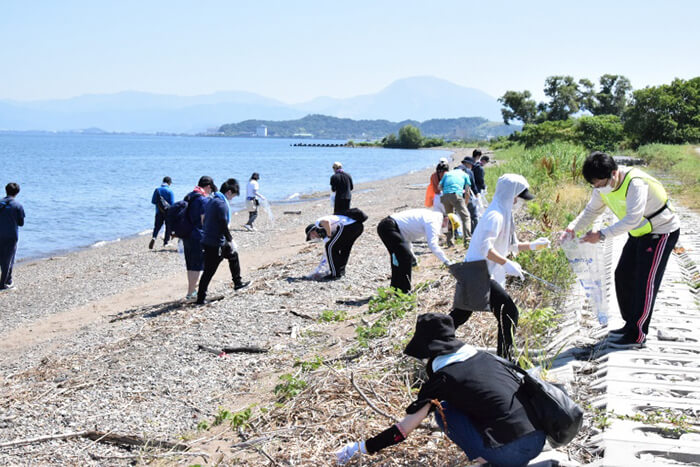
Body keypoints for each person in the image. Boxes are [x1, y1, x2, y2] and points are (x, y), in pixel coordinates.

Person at [335, 313, 546, 466]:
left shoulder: (444, 376)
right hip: (538, 440)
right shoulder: (487, 359)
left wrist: (362, 448)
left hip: (511, 454)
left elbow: (404, 430)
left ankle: (485, 458)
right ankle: (491, 453)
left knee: (445, 409)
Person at [562, 151, 681, 349]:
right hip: (639, 232)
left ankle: (637, 335)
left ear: (614, 173)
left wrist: (600, 235)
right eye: (594, 185)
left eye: (600, 184)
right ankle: (630, 325)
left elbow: (632, 219)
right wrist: (572, 228)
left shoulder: (635, 183)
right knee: (623, 275)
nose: (598, 188)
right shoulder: (601, 187)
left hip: (661, 231)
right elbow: (592, 210)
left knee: (645, 281)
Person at [450, 174, 550, 360]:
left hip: (482, 273)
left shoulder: (504, 213)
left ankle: (433, 342)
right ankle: (505, 358)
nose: (518, 201)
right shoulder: (495, 215)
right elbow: (484, 247)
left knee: (461, 315)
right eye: (518, 197)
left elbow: (511, 245)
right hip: (477, 272)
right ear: (510, 194)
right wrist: (506, 263)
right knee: (508, 312)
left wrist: (534, 245)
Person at [196, 179, 250, 305]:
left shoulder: (213, 199)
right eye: (234, 196)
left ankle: (237, 283)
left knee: (233, 255)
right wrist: (231, 240)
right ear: (229, 192)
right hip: (214, 243)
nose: (232, 199)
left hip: (214, 239)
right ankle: (200, 298)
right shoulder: (221, 204)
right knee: (209, 270)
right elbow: (222, 224)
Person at [377, 209, 452, 293]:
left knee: (399, 259)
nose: (448, 230)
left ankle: (395, 289)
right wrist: (447, 262)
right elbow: (433, 245)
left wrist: (412, 255)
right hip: (389, 227)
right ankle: (404, 292)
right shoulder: (433, 221)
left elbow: (406, 238)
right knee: (405, 258)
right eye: (450, 227)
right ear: (446, 220)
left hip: (386, 227)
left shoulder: (430, 216)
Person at [182, 176, 215, 301]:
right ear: (207, 187)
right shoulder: (202, 200)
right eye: (210, 190)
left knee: (190, 265)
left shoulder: (189, 196)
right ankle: (191, 294)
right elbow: (204, 221)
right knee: (197, 266)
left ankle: (191, 291)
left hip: (186, 235)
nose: (210, 192)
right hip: (197, 236)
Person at [305, 212, 364, 279]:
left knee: (329, 247)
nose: (314, 238)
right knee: (345, 248)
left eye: (311, 236)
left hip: (348, 226)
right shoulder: (329, 228)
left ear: (312, 231)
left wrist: (329, 236)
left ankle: (335, 274)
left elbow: (326, 222)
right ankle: (341, 271)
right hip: (358, 226)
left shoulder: (318, 223)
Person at [0, 183, 25, 291]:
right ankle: (4, 283)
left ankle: (7, 281)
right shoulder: (18, 205)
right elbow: (21, 223)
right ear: (17, 192)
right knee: (8, 259)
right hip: (11, 235)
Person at [438, 167, 472, 245]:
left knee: (448, 218)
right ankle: (467, 240)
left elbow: (439, 187)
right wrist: (465, 204)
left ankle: (449, 241)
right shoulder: (465, 175)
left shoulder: (447, 174)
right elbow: (467, 191)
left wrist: (445, 191)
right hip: (456, 195)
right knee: (466, 217)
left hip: (445, 196)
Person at [150, 176, 175, 249]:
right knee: (168, 227)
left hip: (158, 211)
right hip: (168, 212)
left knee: (157, 226)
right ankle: (166, 242)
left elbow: (153, 201)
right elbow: (172, 204)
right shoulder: (170, 191)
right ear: (169, 183)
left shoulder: (157, 190)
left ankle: (154, 237)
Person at [458, 156, 480, 232]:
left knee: (458, 216)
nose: (471, 167)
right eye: (471, 165)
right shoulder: (469, 172)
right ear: (467, 164)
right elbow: (473, 186)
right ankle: (474, 232)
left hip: (454, 196)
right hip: (466, 195)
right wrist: (477, 195)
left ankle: (457, 234)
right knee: (473, 215)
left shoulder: (454, 170)